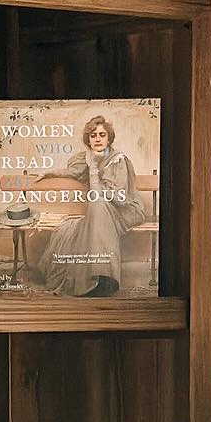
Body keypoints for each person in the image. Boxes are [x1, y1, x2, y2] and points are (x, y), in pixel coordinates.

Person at [33, 112, 145, 296]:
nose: (98, 139)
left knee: (98, 205)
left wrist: (93, 170)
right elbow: (72, 172)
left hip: (124, 210)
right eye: (93, 136)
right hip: (101, 211)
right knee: (82, 221)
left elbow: (118, 197)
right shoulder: (87, 158)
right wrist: (49, 173)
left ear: (109, 139)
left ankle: (105, 279)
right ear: (88, 139)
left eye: (102, 135)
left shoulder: (118, 160)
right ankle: (95, 278)